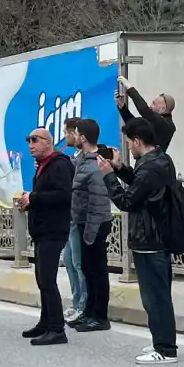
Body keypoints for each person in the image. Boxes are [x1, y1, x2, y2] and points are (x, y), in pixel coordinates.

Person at [99, 117, 178, 364]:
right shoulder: (159, 160)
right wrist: (121, 168)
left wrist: (109, 176)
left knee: (155, 297)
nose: (128, 148)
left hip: (150, 240)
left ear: (137, 141)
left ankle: (165, 349)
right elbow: (142, 188)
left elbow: (127, 201)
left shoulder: (149, 167)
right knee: (158, 295)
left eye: (129, 143)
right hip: (158, 238)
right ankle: (162, 343)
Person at [17, 127, 74, 345]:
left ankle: (57, 329)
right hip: (42, 229)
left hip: (54, 229)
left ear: (48, 142)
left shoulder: (59, 164)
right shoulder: (43, 165)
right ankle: (45, 321)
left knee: (48, 280)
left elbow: (62, 195)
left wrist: (34, 198)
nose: (30, 144)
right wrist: (29, 200)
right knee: (41, 279)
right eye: (28, 140)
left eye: (34, 140)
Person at [70, 118, 113, 332]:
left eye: (76, 133)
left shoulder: (95, 165)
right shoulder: (82, 160)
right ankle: (88, 312)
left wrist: (89, 232)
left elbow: (97, 202)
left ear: (83, 138)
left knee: (97, 271)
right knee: (87, 269)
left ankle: (100, 316)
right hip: (83, 223)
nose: (74, 137)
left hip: (94, 224)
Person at [60, 118, 87, 324]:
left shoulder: (85, 158)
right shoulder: (72, 157)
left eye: (68, 133)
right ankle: (76, 300)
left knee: (78, 263)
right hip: (69, 216)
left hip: (79, 217)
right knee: (69, 261)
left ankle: (83, 305)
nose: (68, 137)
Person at [114, 77, 176, 153]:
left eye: (154, 104)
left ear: (162, 109)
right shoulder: (155, 122)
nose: (150, 106)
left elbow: (145, 110)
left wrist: (130, 88)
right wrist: (122, 106)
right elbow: (134, 124)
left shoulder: (166, 125)